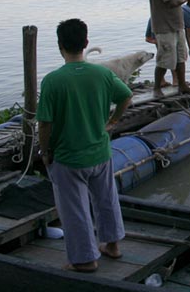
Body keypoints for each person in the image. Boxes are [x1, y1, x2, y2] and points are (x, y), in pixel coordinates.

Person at [36, 18, 132, 273]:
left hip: (68, 158)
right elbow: (126, 96)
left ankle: (85, 260)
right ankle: (112, 245)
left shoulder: (53, 81)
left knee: (74, 208)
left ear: (60, 46)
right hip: (100, 152)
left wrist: (45, 152)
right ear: (86, 43)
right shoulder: (101, 73)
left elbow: (44, 124)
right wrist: (112, 122)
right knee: (106, 199)